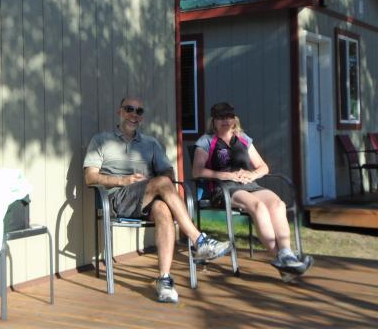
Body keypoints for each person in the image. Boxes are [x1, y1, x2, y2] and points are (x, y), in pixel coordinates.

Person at [84, 96, 231, 303]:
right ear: (120, 111)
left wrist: (153, 183)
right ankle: (199, 240)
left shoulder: (150, 143)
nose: (134, 114)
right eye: (129, 109)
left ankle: (164, 279)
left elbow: (168, 173)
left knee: (162, 208)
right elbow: (90, 177)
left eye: (139, 111)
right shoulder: (101, 140)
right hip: (116, 199)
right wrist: (123, 180)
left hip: (145, 199)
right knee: (161, 184)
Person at [192, 102, 313, 282]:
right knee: (258, 206)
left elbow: (263, 167)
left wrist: (252, 174)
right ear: (214, 121)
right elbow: (197, 171)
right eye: (221, 118)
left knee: (277, 204)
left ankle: (286, 255)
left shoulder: (243, 139)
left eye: (228, 117)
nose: (225, 121)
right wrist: (227, 175)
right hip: (223, 188)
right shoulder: (206, 141)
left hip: (249, 185)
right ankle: (281, 259)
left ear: (234, 119)